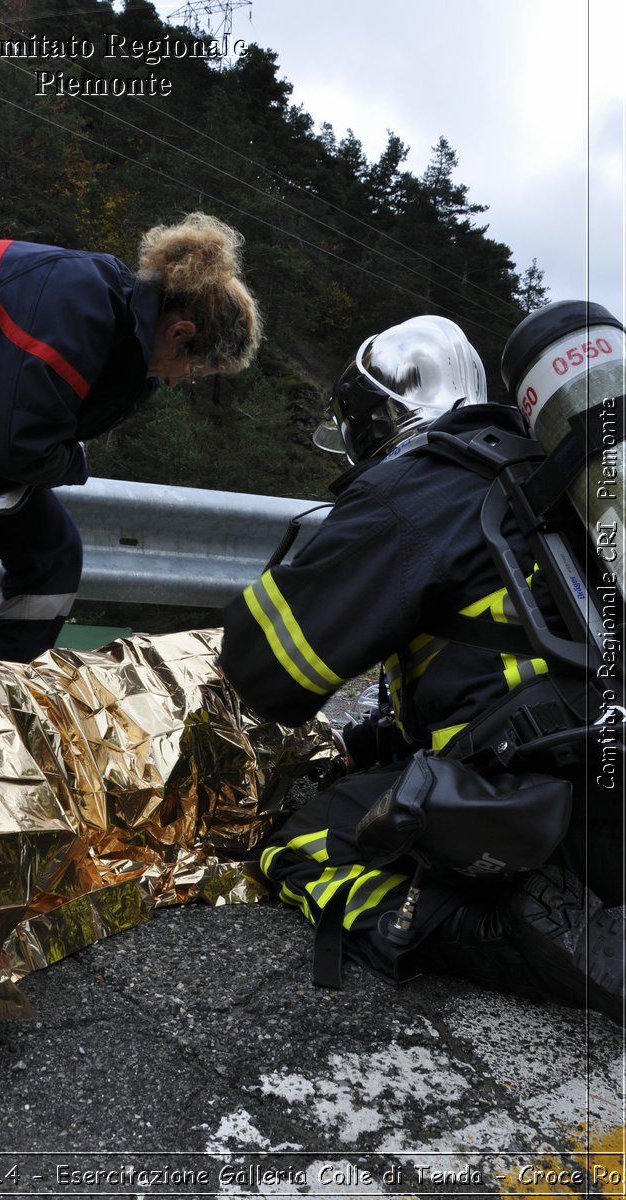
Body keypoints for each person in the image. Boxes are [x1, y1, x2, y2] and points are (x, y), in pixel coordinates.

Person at [220, 314, 624, 1024]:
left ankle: (486, 928)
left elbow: (266, 669)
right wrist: (376, 739)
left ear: (376, 418)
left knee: (299, 845)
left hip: (550, 810)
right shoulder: (556, 476)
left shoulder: (418, 485)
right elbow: (503, 652)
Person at [0, 213, 261, 679]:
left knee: (53, 558)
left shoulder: (128, 345)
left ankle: (6, 698)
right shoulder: (74, 305)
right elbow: (24, 448)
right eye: (193, 373)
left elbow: (24, 444)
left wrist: (4, 459)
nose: (178, 383)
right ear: (180, 334)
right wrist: (28, 458)